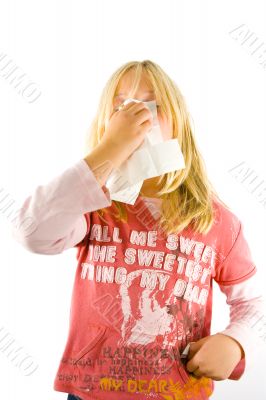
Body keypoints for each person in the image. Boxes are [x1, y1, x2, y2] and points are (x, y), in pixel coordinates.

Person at [12, 60, 265, 400]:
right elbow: (33, 233)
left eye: (153, 105)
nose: (137, 116)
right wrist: (108, 152)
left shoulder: (217, 222)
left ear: (180, 125)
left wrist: (236, 342)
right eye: (121, 107)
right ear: (108, 124)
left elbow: (253, 302)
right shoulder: (92, 207)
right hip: (91, 393)